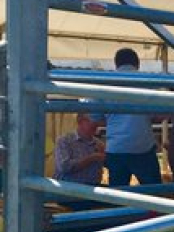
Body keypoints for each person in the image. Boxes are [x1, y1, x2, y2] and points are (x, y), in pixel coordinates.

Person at [90, 48, 163, 187]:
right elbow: (161, 115)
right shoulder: (148, 82)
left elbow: (94, 117)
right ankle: (153, 209)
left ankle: (121, 208)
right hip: (143, 148)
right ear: (137, 64)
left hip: (116, 148)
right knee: (154, 193)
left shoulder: (104, 84)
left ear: (116, 64)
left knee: (118, 194)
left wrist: (113, 120)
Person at [53, 112, 105, 185]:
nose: (95, 124)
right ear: (80, 121)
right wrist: (92, 158)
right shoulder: (64, 141)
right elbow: (64, 167)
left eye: (96, 120)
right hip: (66, 190)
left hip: (92, 191)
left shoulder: (99, 144)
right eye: (91, 120)